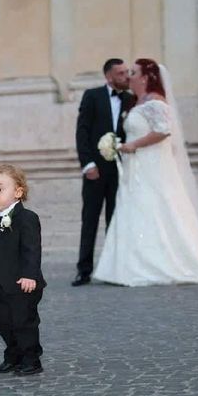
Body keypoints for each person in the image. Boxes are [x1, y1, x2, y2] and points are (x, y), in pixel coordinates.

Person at [93, 59, 198, 286]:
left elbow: (163, 131)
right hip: (137, 167)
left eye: (133, 72)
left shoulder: (155, 101)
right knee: (135, 209)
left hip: (151, 165)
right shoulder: (136, 102)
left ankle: (156, 262)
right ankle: (127, 265)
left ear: (145, 78)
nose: (129, 76)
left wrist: (134, 145)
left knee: (153, 208)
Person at [0, 164, 46, 376]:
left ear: (18, 192)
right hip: (4, 283)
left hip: (25, 284)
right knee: (3, 322)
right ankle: (13, 354)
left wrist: (30, 275)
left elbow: (32, 249)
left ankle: (31, 358)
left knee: (24, 323)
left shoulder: (27, 218)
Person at [72, 58, 136, 286]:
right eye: (121, 73)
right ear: (109, 76)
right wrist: (87, 164)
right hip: (95, 170)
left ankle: (114, 268)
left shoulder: (131, 99)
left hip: (121, 170)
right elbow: (82, 131)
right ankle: (84, 270)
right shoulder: (92, 96)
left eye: (127, 72)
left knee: (115, 219)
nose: (126, 77)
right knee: (89, 220)